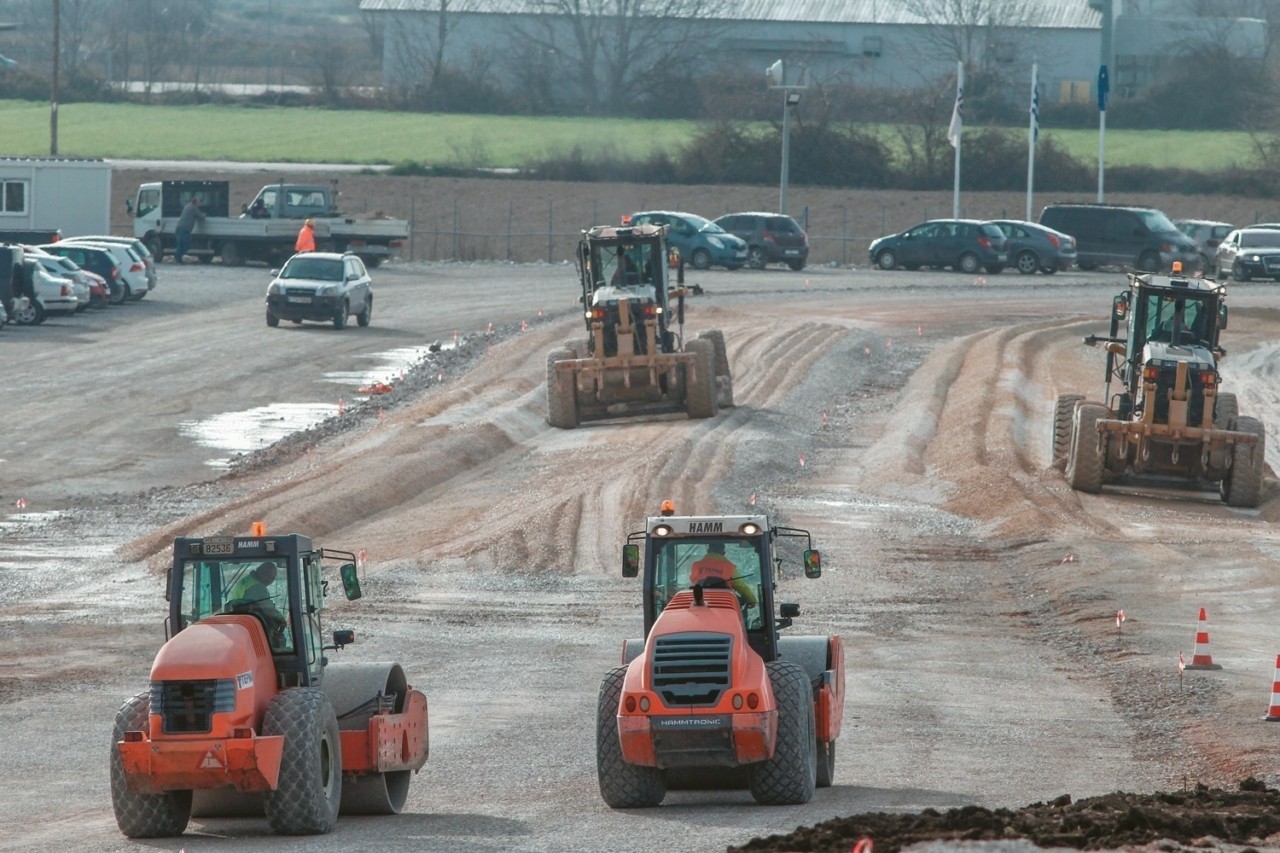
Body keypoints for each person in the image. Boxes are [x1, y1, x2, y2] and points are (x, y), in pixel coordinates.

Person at [689, 543, 758, 608]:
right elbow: (742, 587)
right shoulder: (729, 568)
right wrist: (752, 600)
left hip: (700, 604)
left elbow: (693, 582)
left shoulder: (696, 566)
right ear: (723, 553)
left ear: (708, 551)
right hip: (726, 606)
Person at [174, 197, 205, 264]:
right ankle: (178, 259)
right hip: (184, 229)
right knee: (185, 244)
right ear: (195, 203)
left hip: (179, 228)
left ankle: (178, 259)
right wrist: (205, 214)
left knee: (180, 244)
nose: (199, 204)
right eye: (198, 202)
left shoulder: (187, 206)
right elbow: (201, 216)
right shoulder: (193, 208)